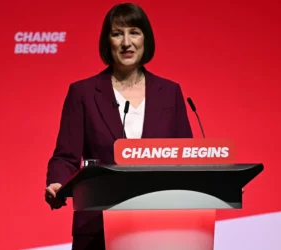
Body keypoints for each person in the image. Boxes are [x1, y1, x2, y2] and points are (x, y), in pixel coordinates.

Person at [45, 3, 193, 250]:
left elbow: (186, 157)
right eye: (117, 33)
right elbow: (65, 157)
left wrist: (216, 184)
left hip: (159, 225)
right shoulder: (82, 93)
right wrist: (57, 183)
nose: (127, 42)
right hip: (98, 226)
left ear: (146, 38)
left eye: (134, 32)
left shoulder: (170, 92)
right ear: (108, 42)